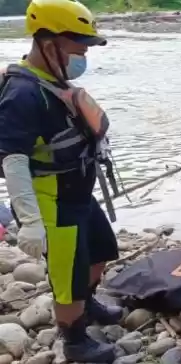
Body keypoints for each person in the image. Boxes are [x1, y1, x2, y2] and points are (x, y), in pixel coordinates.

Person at [0, 0, 122, 361]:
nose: (83, 53)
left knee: (101, 252)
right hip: (51, 202)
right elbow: (13, 159)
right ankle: (75, 341)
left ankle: (86, 307)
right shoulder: (23, 93)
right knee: (67, 277)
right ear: (47, 41)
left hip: (79, 193)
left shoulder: (53, 80)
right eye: (78, 45)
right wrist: (32, 222)